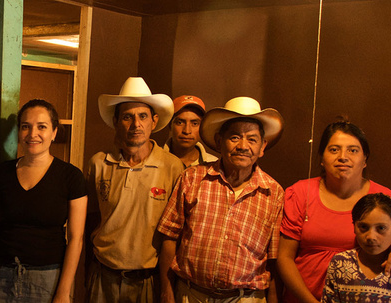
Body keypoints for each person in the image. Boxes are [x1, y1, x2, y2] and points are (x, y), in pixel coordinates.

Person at [157, 97, 286, 303]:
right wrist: (166, 290)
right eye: (234, 137)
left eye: (252, 139)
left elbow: (273, 259)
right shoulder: (192, 178)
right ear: (219, 142)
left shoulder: (274, 192)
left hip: (247, 298)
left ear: (262, 147)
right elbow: (170, 237)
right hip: (191, 295)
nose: (243, 146)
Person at [277, 121, 391, 303]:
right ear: (321, 157)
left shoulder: (390, 202)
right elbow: (284, 257)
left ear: (365, 159)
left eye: (353, 150)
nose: (343, 157)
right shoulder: (300, 194)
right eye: (334, 149)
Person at [85, 77, 183, 302]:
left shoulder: (172, 167)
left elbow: (175, 234)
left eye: (143, 116)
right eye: (127, 117)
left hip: (147, 281)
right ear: (116, 120)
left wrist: (168, 288)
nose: (136, 124)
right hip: (103, 277)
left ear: (154, 121)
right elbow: (89, 220)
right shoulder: (98, 164)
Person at [0, 99, 88, 303]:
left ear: (54, 132)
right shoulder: (1, 173)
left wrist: (63, 292)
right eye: (25, 127)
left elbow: (76, 238)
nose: (32, 134)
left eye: (42, 127)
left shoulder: (71, 177)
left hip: (47, 278)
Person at [321, 193, 391, 303]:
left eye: (381, 228)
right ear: (354, 227)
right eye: (363, 227)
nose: (371, 236)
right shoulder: (340, 264)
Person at [163, 95, 217, 168]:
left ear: (202, 128)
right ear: (170, 125)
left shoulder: (214, 165)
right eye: (180, 123)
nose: (187, 131)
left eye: (194, 123)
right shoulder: (153, 161)